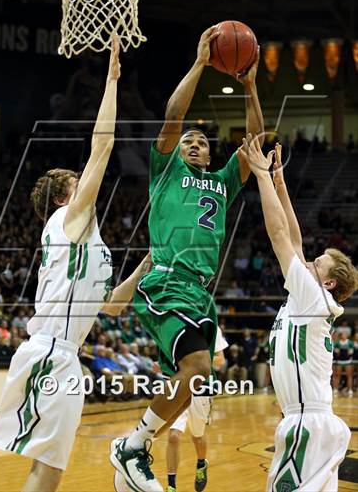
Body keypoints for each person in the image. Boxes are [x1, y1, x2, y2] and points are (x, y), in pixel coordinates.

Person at [111, 26, 264, 492]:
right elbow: (173, 116)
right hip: (167, 280)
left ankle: (133, 453)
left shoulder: (221, 181)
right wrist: (200, 63)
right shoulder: (166, 170)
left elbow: (255, 145)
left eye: (201, 141)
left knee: (193, 379)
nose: (194, 143)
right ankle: (133, 444)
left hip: (200, 292)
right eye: (188, 141)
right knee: (196, 369)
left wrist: (252, 86)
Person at [0, 38, 150, 492]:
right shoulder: (68, 218)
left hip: (62, 355)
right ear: (64, 196)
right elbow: (102, 147)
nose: (87, 186)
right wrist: (113, 80)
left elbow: (113, 309)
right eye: (77, 183)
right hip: (50, 350)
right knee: (49, 468)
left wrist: (142, 268)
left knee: (50, 466)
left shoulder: (88, 242)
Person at [239, 136, 357, 491]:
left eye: (317, 263)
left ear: (330, 282)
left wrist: (260, 175)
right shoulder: (309, 298)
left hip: (308, 423)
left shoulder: (312, 297)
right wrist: (280, 183)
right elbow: (294, 238)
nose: (308, 261)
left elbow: (280, 237)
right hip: (308, 421)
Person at [165, 327, 228, 492]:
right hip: (178, 386)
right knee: (173, 436)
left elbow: (220, 360)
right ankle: (171, 485)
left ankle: (201, 463)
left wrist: (196, 360)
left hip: (202, 387)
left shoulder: (211, 327)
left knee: (197, 435)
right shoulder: (173, 325)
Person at [332, 331, 354, 398]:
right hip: (339, 362)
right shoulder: (337, 343)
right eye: (342, 335)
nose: (344, 336)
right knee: (337, 376)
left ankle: (350, 390)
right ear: (341, 336)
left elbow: (350, 353)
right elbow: (336, 353)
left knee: (349, 376)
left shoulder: (350, 343)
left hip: (348, 362)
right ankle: (335, 389)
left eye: (345, 334)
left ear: (347, 336)